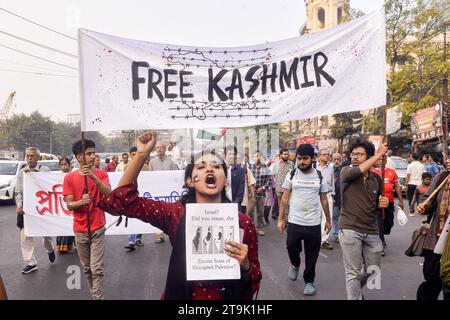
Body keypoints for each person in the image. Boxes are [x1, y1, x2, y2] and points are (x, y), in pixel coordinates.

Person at [98, 131, 262, 300]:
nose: (209, 168)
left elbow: (255, 276)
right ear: (190, 181)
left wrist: (246, 265)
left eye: (216, 166)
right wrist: (141, 155)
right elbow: (123, 201)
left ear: (225, 179)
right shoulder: (175, 214)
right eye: (201, 167)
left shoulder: (243, 223)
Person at [277, 144, 331, 296]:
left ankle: (309, 281)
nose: (302, 162)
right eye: (299, 159)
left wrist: (327, 220)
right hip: (294, 221)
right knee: (291, 247)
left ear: (313, 159)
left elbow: (324, 200)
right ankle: (295, 264)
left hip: (313, 223)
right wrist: (281, 219)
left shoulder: (319, 176)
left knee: (312, 255)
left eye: (305, 159)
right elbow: (285, 198)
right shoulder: (292, 175)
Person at [339, 138, 389, 300]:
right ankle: (354, 296)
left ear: (368, 157)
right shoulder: (346, 172)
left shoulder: (376, 179)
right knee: (352, 272)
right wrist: (380, 154)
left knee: (373, 270)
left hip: (371, 230)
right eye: (353, 154)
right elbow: (359, 170)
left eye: (359, 154)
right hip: (349, 228)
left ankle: (354, 290)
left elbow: (375, 205)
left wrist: (383, 203)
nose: (354, 157)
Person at [63, 139, 111, 300]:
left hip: (98, 227)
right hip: (80, 229)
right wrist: (80, 202)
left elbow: (108, 193)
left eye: (93, 153)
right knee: (87, 268)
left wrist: (93, 177)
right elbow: (69, 205)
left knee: (97, 268)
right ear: (78, 157)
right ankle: (95, 294)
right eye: (88, 153)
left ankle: (98, 298)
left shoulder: (101, 173)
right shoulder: (69, 178)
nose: (92, 157)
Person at [15, 147, 56, 274]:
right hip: (26, 210)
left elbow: (49, 187)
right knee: (25, 235)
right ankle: (31, 262)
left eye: (32, 156)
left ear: (38, 158)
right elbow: (18, 191)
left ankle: (50, 249)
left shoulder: (45, 171)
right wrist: (19, 205)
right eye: (27, 155)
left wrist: (34, 177)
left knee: (45, 235)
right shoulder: (22, 172)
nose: (29, 158)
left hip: (42, 208)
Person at [416, 159, 450, 300]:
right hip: (436, 240)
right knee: (431, 282)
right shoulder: (442, 177)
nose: (448, 160)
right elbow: (428, 200)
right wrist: (424, 206)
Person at [371, 157, 404, 256]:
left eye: (382, 159)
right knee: (379, 223)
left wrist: (401, 200)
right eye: (379, 159)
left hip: (389, 202)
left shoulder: (391, 172)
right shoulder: (372, 172)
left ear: (385, 161)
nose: (381, 161)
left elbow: (397, 186)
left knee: (389, 223)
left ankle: (382, 236)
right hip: (377, 203)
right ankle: (380, 243)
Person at [149, 142, 179, 244]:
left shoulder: (171, 161)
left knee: (170, 213)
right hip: (157, 192)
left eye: (161, 147)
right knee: (157, 213)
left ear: (165, 149)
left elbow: (175, 176)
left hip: (169, 192)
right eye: (157, 147)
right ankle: (159, 234)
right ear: (155, 149)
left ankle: (173, 233)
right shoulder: (152, 162)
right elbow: (150, 177)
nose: (159, 149)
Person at [125, 146, 148, 251]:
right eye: (133, 154)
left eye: (136, 154)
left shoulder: (145, 167)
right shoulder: (127, 167)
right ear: (130, 155)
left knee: (141, 217)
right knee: (131, 218)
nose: (135, 156)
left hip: (143, 195)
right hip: (131, 196)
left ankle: (138, 238)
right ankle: (131, 241)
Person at [248, 151, 271, 236]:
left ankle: (260, 228)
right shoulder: (249, 167)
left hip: (261, 194)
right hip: (251, 193)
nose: (256, 158)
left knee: (260, 212)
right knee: (249, 211)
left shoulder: (266, 168)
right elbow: (246, 179)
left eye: (257, 156)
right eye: (254, 156)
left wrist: (263, 187)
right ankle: (250, 228)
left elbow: (269, 180)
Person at [56, 157, 75, 254]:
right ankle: (63, 247)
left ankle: (77, 244)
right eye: (61, 165)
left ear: (70, 165)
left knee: (73, 224)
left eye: (65, 164)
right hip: (60, 205)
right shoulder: (55, 177)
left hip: (72, 203)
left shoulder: (74, 175)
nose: (63, 167)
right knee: (62, 224)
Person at [316, 148, 335, 251]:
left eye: (328, 154)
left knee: (327, 217)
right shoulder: (314, 167)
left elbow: (332, 182)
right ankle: (315, 238)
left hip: (327, 195)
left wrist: (333, 195)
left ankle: (324, 240)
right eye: (324, 154)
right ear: (319, 156)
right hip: (315, 195)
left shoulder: (330, 168)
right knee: (315, 217)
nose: (327, 156)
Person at [270, 149, 294, 221]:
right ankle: (282, 220)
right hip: (279, 189)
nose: (287, 156)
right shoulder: (275, 164)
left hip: (289, 189)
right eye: (285, 154)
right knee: (281, 205)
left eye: (287, 154)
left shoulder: (291, 164)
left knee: (289, 205)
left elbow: (294, 175)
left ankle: (288, 220)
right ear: (280, 155)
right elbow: (273, 175)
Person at [225, 146, 246, 213]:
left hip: (236, 206)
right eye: (229, 154)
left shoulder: (241, 171)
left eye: (234, 154)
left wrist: (234, 205)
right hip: (222, 206)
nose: (232, 156)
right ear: (225, 156)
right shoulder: (220, 170)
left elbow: (240, 192)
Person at [331, 153, 343, 243]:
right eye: (334, 159)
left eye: (338, 159)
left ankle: (342, 234)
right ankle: (335, 234)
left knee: (343, 217)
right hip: (334, 197)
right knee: (335, 216)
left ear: (341, 160)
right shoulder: (330, 170)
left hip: (344, 198)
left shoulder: (345, 170)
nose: (336, 161)